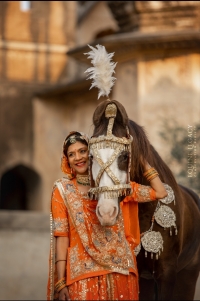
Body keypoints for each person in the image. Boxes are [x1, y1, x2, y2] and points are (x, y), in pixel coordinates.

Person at [47, 131, 167, 301]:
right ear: (67, 160)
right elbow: (62, 235)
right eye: (71, 154)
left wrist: (138, 158)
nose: (78, 157)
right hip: (83, 276)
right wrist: (61, 281)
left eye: (82, 151)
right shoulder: (62, 190)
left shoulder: (115, 185)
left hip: (121, 271)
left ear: (92, 153)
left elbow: (160, 192)